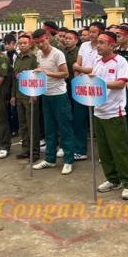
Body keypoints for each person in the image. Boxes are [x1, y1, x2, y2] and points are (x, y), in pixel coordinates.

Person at [93, 31, 128, 200]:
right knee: (104, 151)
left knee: (119, 150)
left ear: (112, 45)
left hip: (114, 112)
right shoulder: (97, 62)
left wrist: (99, 83)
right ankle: (112, 179)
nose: (98, 45)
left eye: (102, 42)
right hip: (98, 111)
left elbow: (120, 84)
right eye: (98, 42)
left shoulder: (120, 61)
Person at [31, 29, 76, 175]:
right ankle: (50, 159)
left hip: (59, 95)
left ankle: (68, 161)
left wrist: (48, 73)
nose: (40, 44)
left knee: (65, 128)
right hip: (45, 94)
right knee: (49, 129)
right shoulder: (39, 54)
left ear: (47, 38)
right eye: (37, 43)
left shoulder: (57, 54)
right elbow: (40, 73)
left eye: (42, 41)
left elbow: (66, 74)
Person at [71, 21, 104, 159]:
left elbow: (96, 70)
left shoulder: (103, 47)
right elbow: (76, 64)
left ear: (100, 33)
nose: (91, 34)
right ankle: (80, 150)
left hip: (97, 86)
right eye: (89, 31)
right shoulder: (84, 46)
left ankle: (103, 153)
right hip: (82, 85)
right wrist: (78, 74)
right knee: (79, 119)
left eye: (94, 32)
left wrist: (80, 69)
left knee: (99, 121)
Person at [11, 34, 41, 160]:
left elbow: (38, 78)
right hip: (19, 95)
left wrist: (34, 94)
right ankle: (25, 149)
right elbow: (15, 78)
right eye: (20, 43)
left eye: (25, 43)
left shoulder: (34, 58)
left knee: (32, 124)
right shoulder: (17, 58)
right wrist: (13, 95)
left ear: (30, 44)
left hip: (30, 96)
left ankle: (34, 152)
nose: (22, 45)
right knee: (23, 124)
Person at [63, 30, 86, 161]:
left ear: (76, 40)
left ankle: (80, 147)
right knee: (68, 118)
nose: (67, 40)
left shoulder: (79, 53)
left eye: (70, 38)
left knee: (79, 119)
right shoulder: (63, 52)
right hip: (65, 88)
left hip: (77, 87)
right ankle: (69, 145)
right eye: (66, 38)